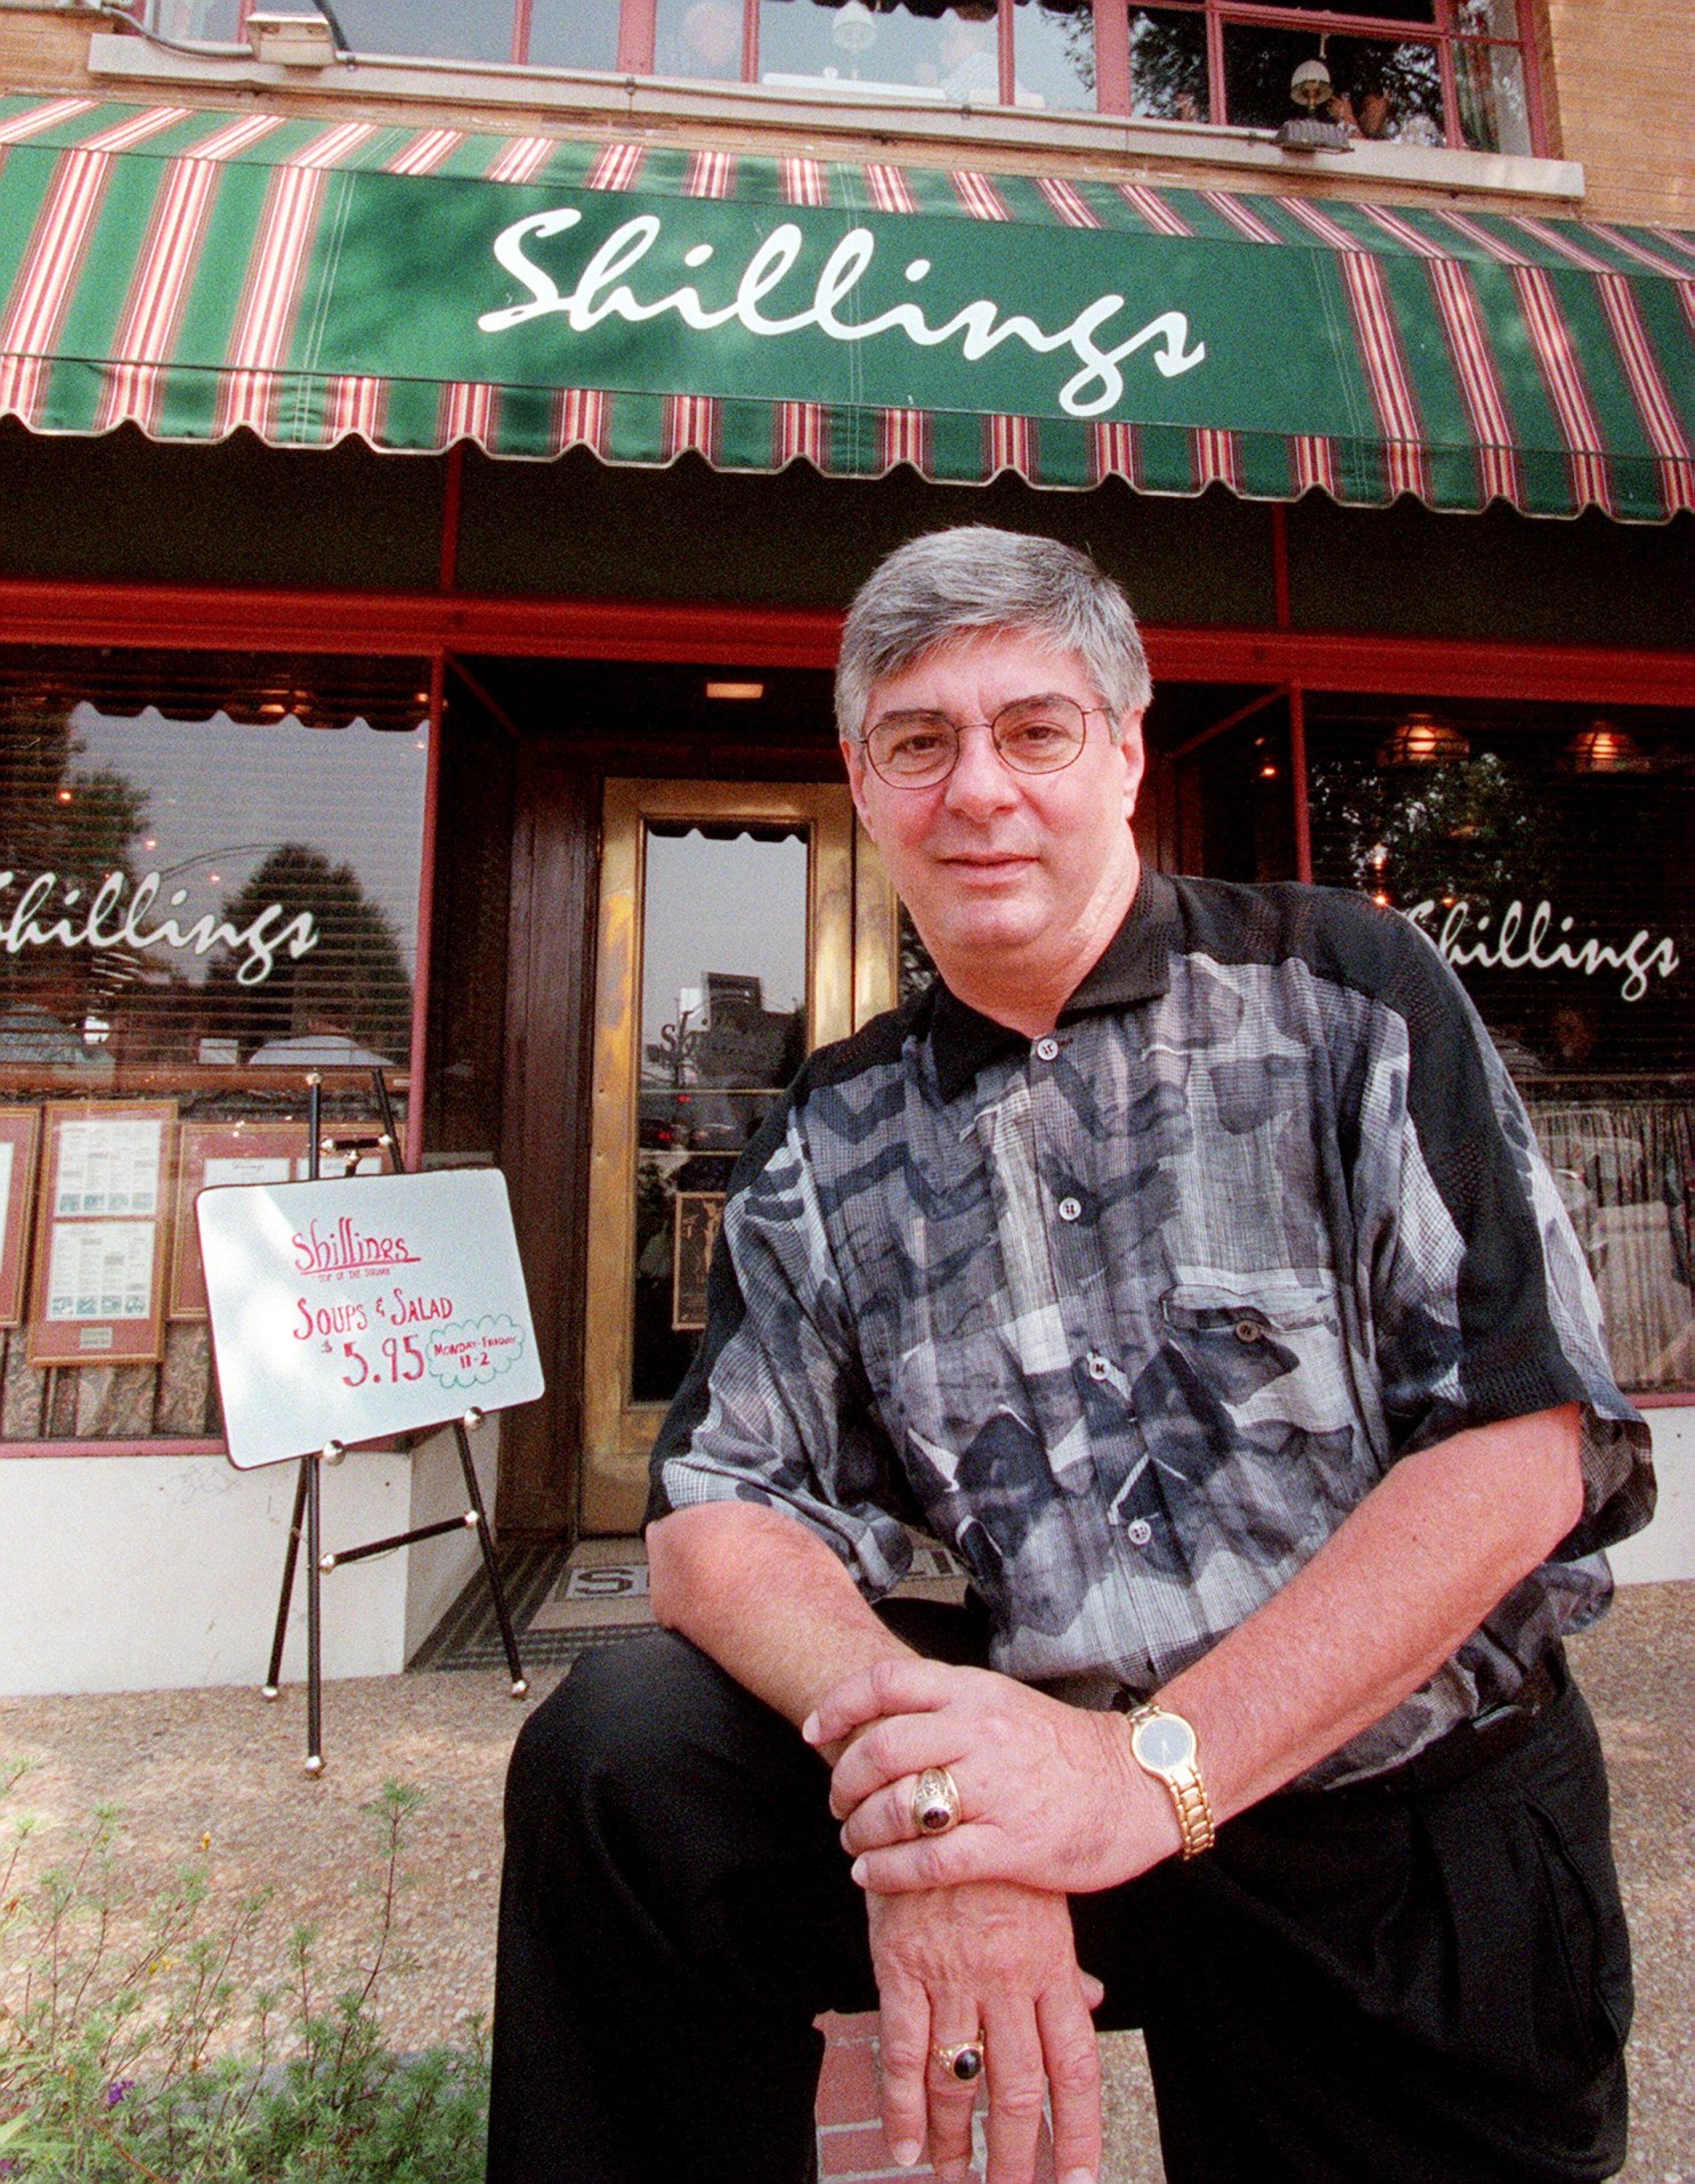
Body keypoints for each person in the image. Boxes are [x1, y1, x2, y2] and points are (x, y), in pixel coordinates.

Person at [487, 527, 1652, 2184]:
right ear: (864, 782)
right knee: (625, 1758)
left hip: (1392, 1815)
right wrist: (937, 1797)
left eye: (1034, 729)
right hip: (1057, 1785)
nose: (980, 789)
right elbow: (714, 1521)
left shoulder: (1344, 991)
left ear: (1124, 747)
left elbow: (1520, 1446)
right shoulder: (835, 1129)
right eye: (920, 741)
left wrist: (1146, 1769)